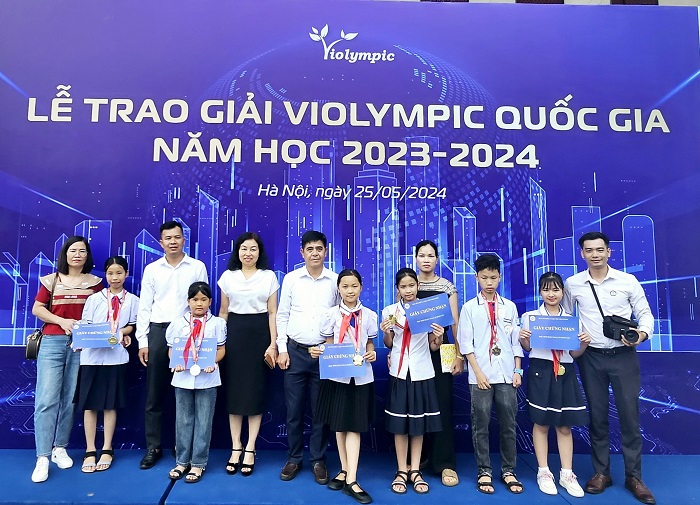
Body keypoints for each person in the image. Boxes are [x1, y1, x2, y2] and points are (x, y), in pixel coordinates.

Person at [563, 231, 656, 505]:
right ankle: (601, 473)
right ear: (582, 253)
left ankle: (634, 477)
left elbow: (645, 313)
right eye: (589, 250)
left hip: (624, 356)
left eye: (600, 249)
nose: (595, 254)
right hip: (591, 357)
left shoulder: (627, 281)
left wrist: (641, 335)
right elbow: (566, 317)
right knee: (598, 416)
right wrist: (576, 338)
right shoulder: (573, 283)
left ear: (609, 252)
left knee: (629, 416)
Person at [136, 220, 208, 469]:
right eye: (168, 238)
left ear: (184, 240)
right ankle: (153, 447)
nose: (173, 241)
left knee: (187, 391)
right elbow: (144, 306)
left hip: (189, 332)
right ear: (161, 242)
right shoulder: (152, 269)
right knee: (154, 394)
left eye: (177, 237)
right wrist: (143, 341)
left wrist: (201, 334)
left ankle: (183, 446)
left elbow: (203, 300)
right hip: (158, 331)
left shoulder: (197, 266)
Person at [30, 236, 102, 483]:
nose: (77, 255)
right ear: (65, 254)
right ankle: (42, 457)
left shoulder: (95, 284)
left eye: (82, 251)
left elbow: (102, 313)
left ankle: (60, 447)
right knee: (46, 400)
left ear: (87, 256)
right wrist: (62, 321)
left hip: (81, 346)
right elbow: (37, 308)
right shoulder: (52, 280)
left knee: (70, 399)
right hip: (52, 343)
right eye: (73, 250)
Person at [456, 253, 524, 495]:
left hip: (506, 374)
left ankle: (508, 470)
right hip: (480, 375)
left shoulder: (510, 307)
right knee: (480, 425)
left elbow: (516, 342)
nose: (489, 282)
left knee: (509, 425)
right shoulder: (469, 308)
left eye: (493, 278)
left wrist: (517, 370)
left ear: (500, 277)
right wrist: (477, 372)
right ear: (476, 277)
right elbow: (466, 344)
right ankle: (484, 470)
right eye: (484, 277)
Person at [276, 230, 339, 484]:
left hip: (324, 354)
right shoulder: (291, 279)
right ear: (302, 252)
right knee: (294, 411)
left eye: (319, 249)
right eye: (310, 249)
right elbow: (282, 315)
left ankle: (318, 460)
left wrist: (330, 348)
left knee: (321, 412)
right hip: (295, 352)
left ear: (326, 251)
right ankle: (294, 458)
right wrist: (282, 348)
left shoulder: (335, 280)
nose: (315, 253)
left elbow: (340, 317)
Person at [519, 272, 590, 497]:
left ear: (562, 292)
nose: (551, 294)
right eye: (546, 289)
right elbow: (527, 348)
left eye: (556, 289)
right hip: (541, 370)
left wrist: (584, 344)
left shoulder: (572, 320)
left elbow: (574, 354)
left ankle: (566, 473)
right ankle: (543, 471)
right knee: (541, 423)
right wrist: (523, 338)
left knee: (564, 425)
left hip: (565, 371)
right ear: (540, 292)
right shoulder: (530, 317)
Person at [217, 232, 279, 476]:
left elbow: (273, 313)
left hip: (259, 336)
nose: (248, 253)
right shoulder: (228, 277)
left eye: (253, 249)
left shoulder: (269, 277)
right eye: (244, 248)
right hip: (234, 335)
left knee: (255, 393)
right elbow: (223, 312)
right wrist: (219, 343)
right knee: (234, 393)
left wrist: (273, 344)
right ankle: (236, 446)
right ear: (238, 251)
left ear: (259, 252)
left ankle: (251, 447)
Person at [315, 269, 378, 504]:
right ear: (338, 289)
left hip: (361, 376)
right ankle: (344, 469)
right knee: (340, 425)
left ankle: (351, 479)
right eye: (345, 286)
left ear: (361, 287)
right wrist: (320, 351)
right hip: (337, 377)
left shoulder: (369, 315)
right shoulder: (330, 315)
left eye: (354, 286)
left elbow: (370, 343)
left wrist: (371, 353)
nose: (350, 291)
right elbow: (328, 344)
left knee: (354, 426)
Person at [381, 268, 443, 495]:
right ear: (397, 289)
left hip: (421, 371)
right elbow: (389, 344)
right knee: (400, 426)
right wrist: (386, 332)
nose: (408, 290)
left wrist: (439, 336)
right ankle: (401, 470)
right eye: (403, 286)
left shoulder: (427, 310)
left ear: (418, 286)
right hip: (399, 372)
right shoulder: (390, 311)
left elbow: (433, 346)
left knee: (418, 425)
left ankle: (415, 470)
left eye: (411, 285)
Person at [75, 256, 139, 474]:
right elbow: (85, 324)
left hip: (115, 357)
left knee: (110, 404)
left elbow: (132, 325)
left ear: (126, 274)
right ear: (105, 275)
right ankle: (90, 449)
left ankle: (107, 448)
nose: (115, 277)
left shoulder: (133, 300)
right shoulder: (94, 299)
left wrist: (122, 332)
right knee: (90, 404)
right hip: (91, 357)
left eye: (119, 273)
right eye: (110, 273)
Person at [414, 239, 462, 487]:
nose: (426, 260)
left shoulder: (447, 286)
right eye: (422, 255)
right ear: (415, 258)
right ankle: (417, 460)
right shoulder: (409, 283)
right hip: (414, 350)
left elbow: (455, 322)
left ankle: (444, 463)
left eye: (430, 255)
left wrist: (458, 355)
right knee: (416, 403)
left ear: (437, 259)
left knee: (442, 403)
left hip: (443, 349)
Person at [166, 282, 226, 483]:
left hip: (207, 379)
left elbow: (221, 350)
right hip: (182, 378)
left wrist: (213, 362)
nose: (199, 304)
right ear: (188, 301)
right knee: (183, 420)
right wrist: (176, 362)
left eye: (203, 299)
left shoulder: (217, 324)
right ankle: (181, 462)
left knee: (204, 422)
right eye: (195, 299)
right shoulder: (178, 323)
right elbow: (172, 350)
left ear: (210, 301)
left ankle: (198, 464)